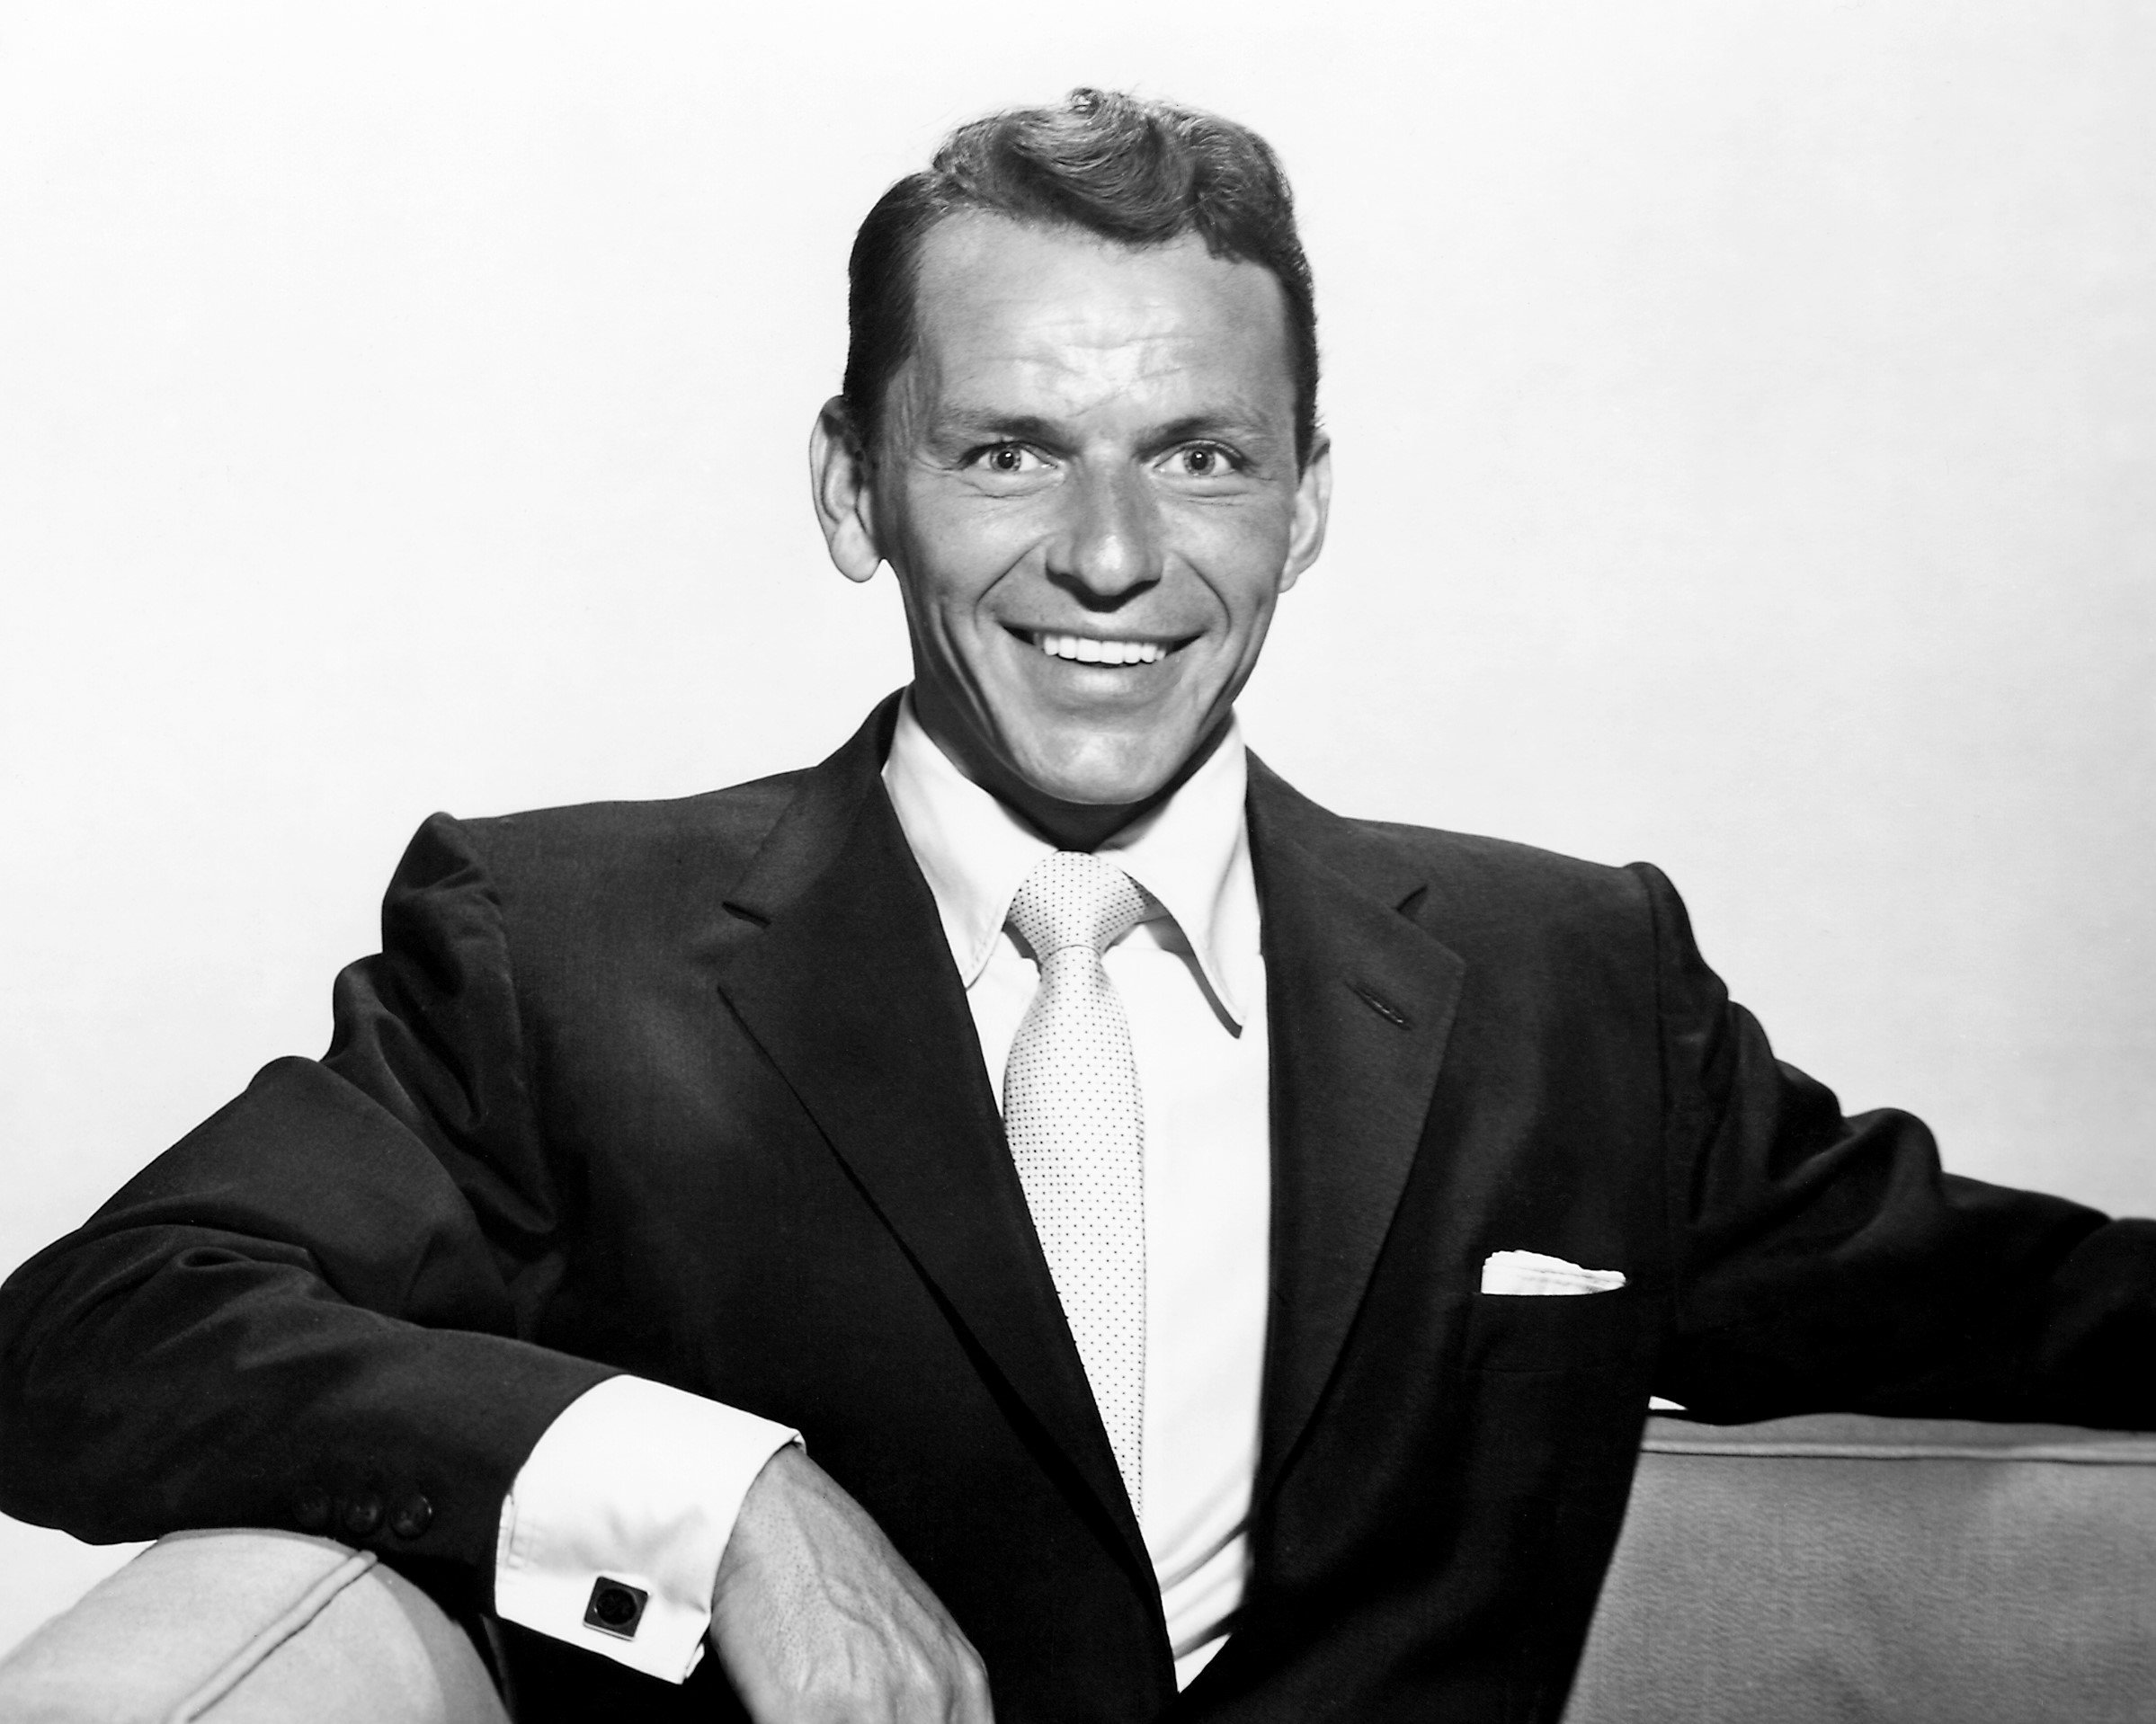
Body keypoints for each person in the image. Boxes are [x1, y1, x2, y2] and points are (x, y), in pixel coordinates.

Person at [1, 87, 2151, 1724]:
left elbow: (2020, 1303)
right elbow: (95, 1329)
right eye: (1009, 451)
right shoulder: (560, 948)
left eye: (1200, 455)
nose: (1111, 556)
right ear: (856, 485)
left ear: (1305, 502)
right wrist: (720, 1497)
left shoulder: (1566, 977)